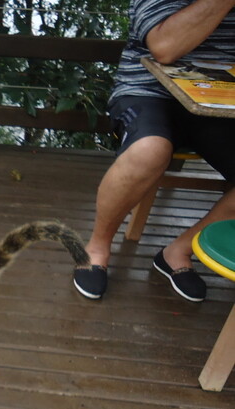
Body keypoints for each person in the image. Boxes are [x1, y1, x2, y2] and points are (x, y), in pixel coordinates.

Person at [73, 0, 235, 302]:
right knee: (150, 149)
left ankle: (178, 251)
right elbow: (165, 46)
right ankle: (96, 248)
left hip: (220, 100)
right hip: (147, 89)